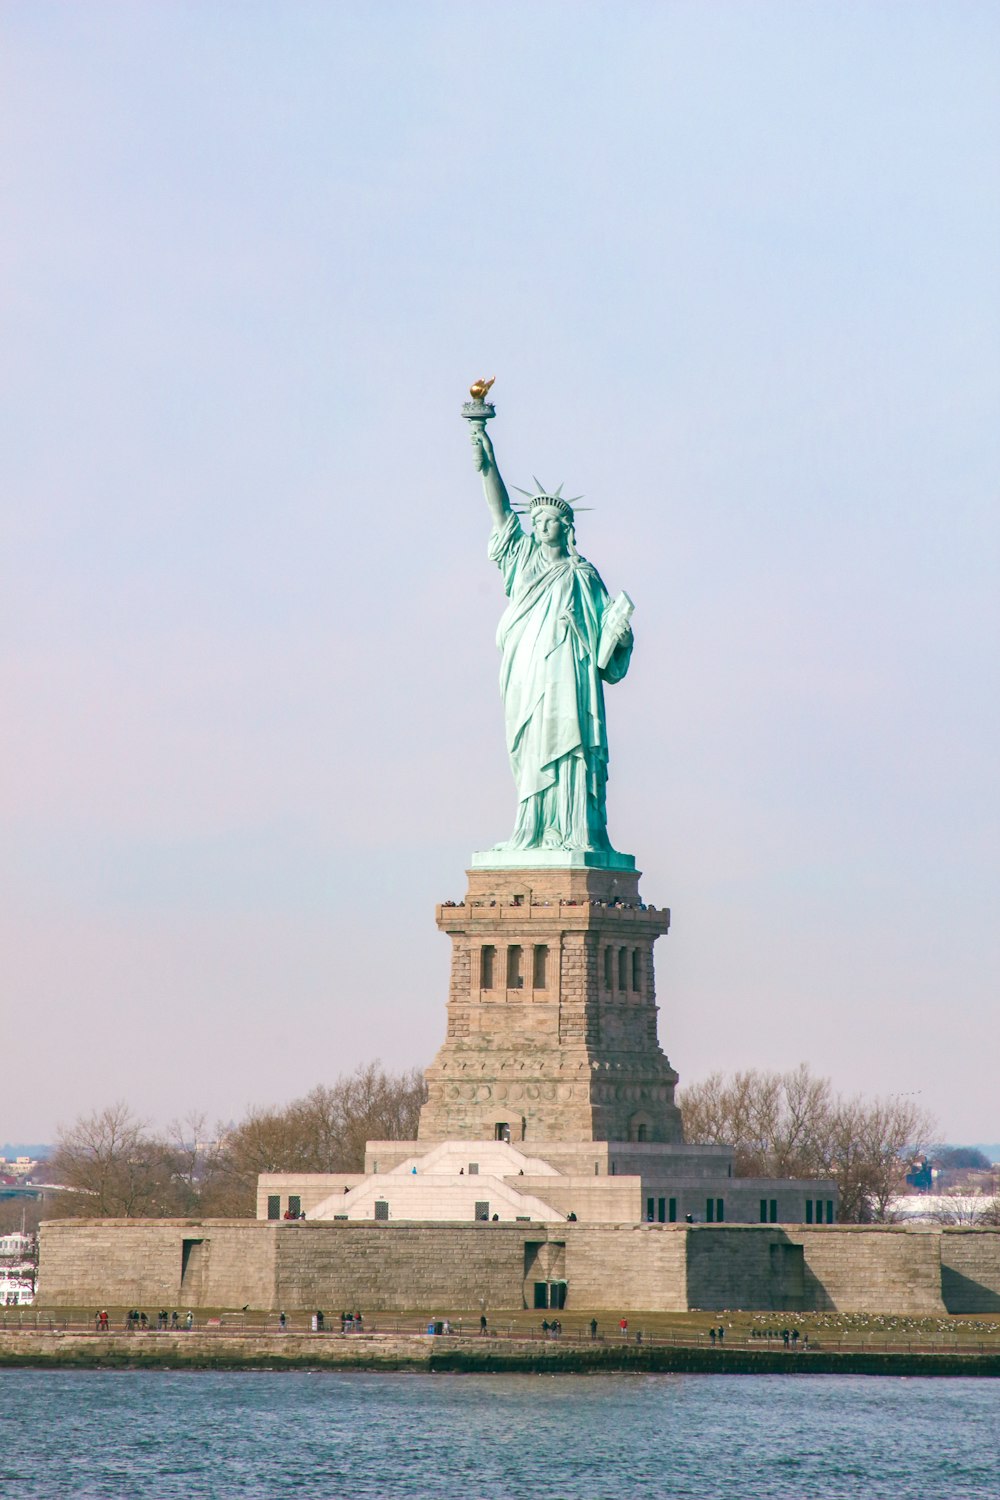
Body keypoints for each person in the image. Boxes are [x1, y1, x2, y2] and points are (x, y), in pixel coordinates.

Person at [470, 425, 633, 854]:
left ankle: (576, 829)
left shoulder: (583, 575)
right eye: (536, 520)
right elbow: (501, 512)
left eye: (549, 521)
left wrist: (620, 635)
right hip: (527, 671)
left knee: (570, 744)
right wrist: (488, 464)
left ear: (566, 527)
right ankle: (534, 827)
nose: (540, 526)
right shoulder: (521, 557)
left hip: (569, 674)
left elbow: (605, 643)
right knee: (532, 746)